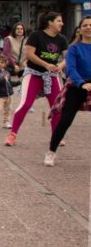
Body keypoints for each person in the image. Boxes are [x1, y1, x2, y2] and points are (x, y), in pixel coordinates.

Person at [5, 12, 67, 147]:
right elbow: (29, 54)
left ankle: (56, 136)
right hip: (34, 73)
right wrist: (46, 65)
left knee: (56, 107)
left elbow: (66, 57)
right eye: (59, 21)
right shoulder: (36, 35)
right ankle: (13, 134)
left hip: (52, 76)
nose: (62, 23)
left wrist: (60, 65)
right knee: (26, 104)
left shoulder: (61, 39)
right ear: (50, 22)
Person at [44, 16, 91, 166]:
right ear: (80, 29)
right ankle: (51, 152)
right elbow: (70, 68)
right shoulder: (74, 48)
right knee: (65, 120)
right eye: (85, 25)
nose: (89, 27)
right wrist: (81, 83)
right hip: (77, 86)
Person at [0, 22, 27, 111]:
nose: (19, 30)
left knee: (26, 84)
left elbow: (30, 53)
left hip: (22, 65)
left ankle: (26, 104)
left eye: (21, 29)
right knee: (2, 84)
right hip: (9, 65)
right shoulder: (9, 39)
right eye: (17, 29)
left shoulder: (27, 40)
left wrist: (25, 62)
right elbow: (6, 53)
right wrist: (14, 64)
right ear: (14, 30)